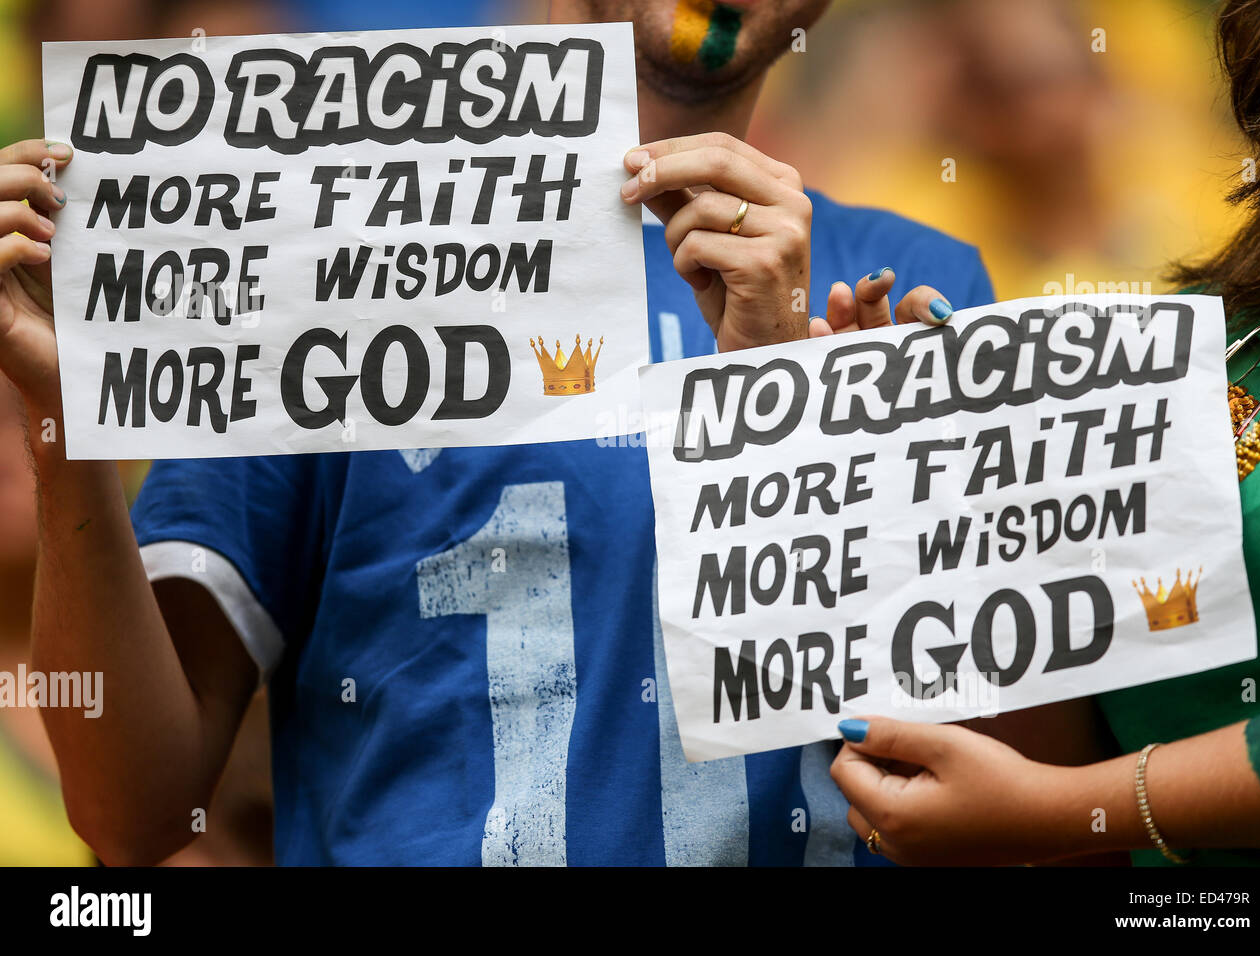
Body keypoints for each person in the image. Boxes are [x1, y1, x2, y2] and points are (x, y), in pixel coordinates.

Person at [0, 0, 993, 865]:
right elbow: (132, 812)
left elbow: (998, 805)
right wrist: (57, 412)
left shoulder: (920, 292)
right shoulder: (325, 238)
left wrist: (784, 418)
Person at [829, 0, 1260, 866]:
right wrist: (902, 485)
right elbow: (1075, 725)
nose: (1042, 110)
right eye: (1000, 90)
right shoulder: (1236, 318)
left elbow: (1058, 797)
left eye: (1062, 78)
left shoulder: (1170, 200)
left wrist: (1065, 810)